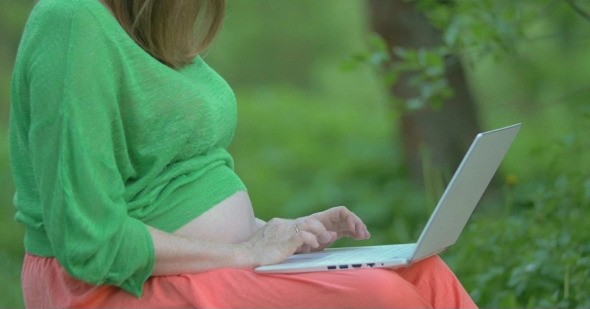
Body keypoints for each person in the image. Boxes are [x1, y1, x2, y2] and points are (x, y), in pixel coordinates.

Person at [9, 0, 477, 308]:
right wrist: (243, 252)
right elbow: (90, 241)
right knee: (380, 297)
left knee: (423, 273)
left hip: (204, 262)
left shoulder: (142, 29)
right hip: (105, 287)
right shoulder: (70, 21)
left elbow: (167, 184)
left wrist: (282, 234)